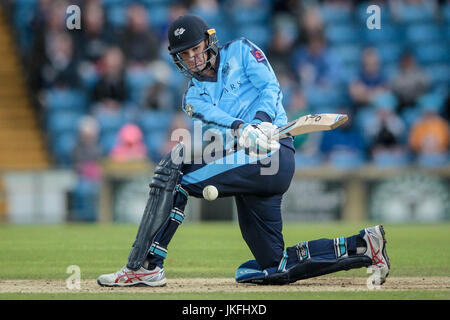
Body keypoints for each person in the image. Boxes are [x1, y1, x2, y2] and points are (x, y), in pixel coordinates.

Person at [97, 15, 390, 287]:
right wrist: (243, 127)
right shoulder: (193, 96)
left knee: (177, 174)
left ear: (209, 41)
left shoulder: (241, 50)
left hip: (273, 152)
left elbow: (271, 89)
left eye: (196, 49)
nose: (192, 59)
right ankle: (365, 244)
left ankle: (146, 264)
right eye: (184, 54)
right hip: (245, 161)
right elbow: (218, 119)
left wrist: (261, 122)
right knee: (274, 266)